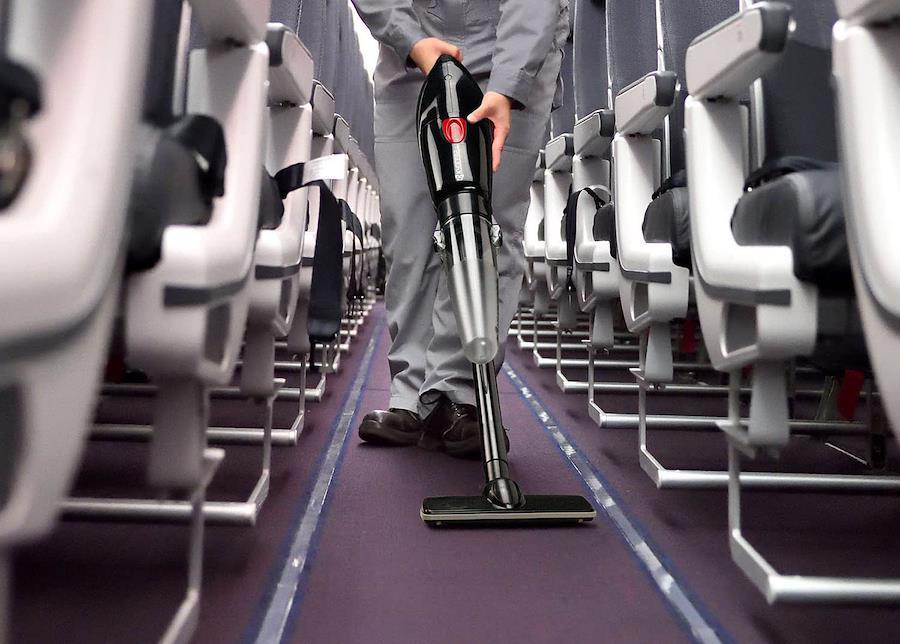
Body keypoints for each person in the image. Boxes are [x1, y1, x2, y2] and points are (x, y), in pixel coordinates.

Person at [351, 0, 569, 459]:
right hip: (412, 50)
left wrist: (508, 86)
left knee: (482, 229)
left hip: (512, 48)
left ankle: (459, 395)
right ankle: (412, 394)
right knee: (408, 231)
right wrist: (412, 42)